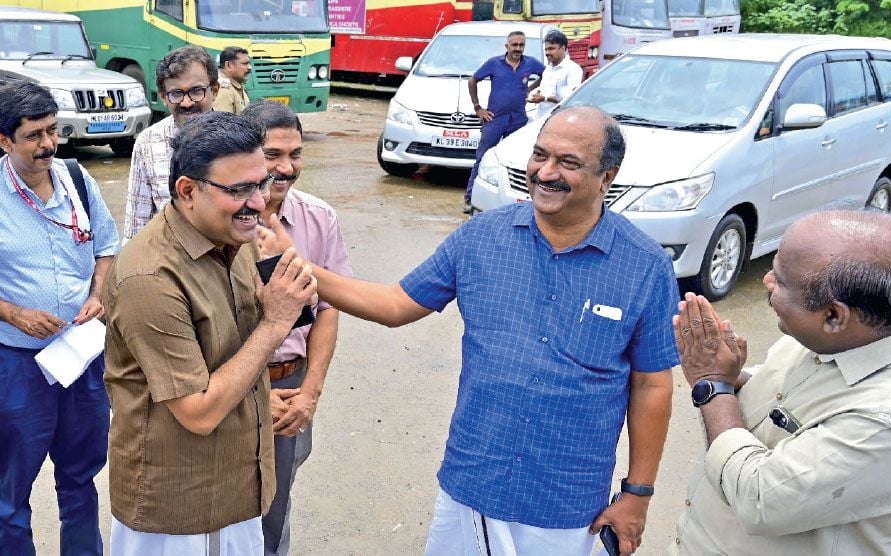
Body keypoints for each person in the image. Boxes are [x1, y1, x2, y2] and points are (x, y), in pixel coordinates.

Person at [260, 106, 678, 555]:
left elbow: (652, 384)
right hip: (473, 485)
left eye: (568, 163)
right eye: (540, 155)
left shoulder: (644, 265)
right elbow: (395, 304)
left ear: (607, 176)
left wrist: (638, 493)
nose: (546, 172)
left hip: (568, 505)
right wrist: (298, 267)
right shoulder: (482, 238)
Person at [672, 210, 891, 554]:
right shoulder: (848, 335)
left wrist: (712, 385)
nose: (766, 282)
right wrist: (735, 377)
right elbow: (778, 400)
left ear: (834, 316)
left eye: (781, 280)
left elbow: (758, 498)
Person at [103, 111, 317, 555]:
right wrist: (275, 323)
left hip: (238, 489)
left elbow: (229, 350)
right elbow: (198, 412)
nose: (258, 203)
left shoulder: (234, 238)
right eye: (238, 190)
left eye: (261, 184)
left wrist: (283, 295)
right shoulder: (149, 277)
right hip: (182, 508)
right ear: (187, 191)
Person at [0, 82, 119, 555]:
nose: (48, 144)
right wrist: (15, 313)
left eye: (51, 131)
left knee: (81, 479)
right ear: (3, 140)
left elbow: (106, 249)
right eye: (34, 136)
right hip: (17, 365)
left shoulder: (76, 178)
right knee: (13, 490)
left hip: (82, 360)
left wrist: (98, 294)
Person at [241, 100, 353, 555]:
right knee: (221, 512)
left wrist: (310, 393)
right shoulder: (219, 220)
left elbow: (329, 308)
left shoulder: (319, 218)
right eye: (273, 155)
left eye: (295, 154)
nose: (286, 168)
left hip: (290, 385)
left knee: (275, 510)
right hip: (225, 391)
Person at [123, 45, 218, 241]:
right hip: (168, 265)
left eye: (196, 91)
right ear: (163, 97)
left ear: (214, 91)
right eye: (176, 94)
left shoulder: (239, 140)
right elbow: (136, 227)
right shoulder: (147, 143)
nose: (186, 103)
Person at [464, 31, 544, 213]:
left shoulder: (530, 63)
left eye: (521, 45)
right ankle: (470, 198)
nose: (517, 48)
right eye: (514, 45)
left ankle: (513, 201)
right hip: (494, 118)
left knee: (517, 160)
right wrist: (478, 108)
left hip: (518, 119)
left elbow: (547, 75)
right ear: (506, 46)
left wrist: (530, 89)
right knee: (483, 157)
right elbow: (472, 80)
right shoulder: (494, 63)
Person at [528, 30, 582, 120]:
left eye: (551, 48)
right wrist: (536, 94)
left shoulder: (573, 69)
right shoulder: (548, 69)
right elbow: (545, 90)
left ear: (563, 48)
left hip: (559, 120)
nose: (547, 53)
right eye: (546, 49)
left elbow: (571, 100)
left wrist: (545, 98)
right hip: (541, 118)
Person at [214, 46, 251, 115]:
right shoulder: (223, 89)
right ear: (228, 66)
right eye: (245, 64)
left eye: (249, 63)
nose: (249, 67)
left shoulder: (237, 85)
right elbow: (223, 123)